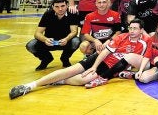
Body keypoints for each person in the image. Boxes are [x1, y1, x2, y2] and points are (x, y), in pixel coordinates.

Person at [10, 19, 148, 99]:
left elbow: (138, 61)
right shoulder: (121, 37)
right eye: (130, 27)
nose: (132, 30)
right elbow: (105, 52)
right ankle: (30, 86)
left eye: (135, 28)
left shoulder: (145, 42)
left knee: (85, 79)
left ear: (141, 30)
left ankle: (58, 81)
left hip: (110, 67)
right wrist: (94, 66)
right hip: (99, 59)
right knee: (71, 70)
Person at [25, 0, 80, 70]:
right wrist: (45, 40)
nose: (60, 9)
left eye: (62, 6)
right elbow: (37, 33)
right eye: (57, 7)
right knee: (31, 45)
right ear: (52, 7)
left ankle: (65, 58)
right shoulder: (48, 14)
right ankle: (46, 59)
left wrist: (66, 39)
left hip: (66, 41)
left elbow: (74, 31)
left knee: (76, 41)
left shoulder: (72, 14)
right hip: (49, 41)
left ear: (67, 5)